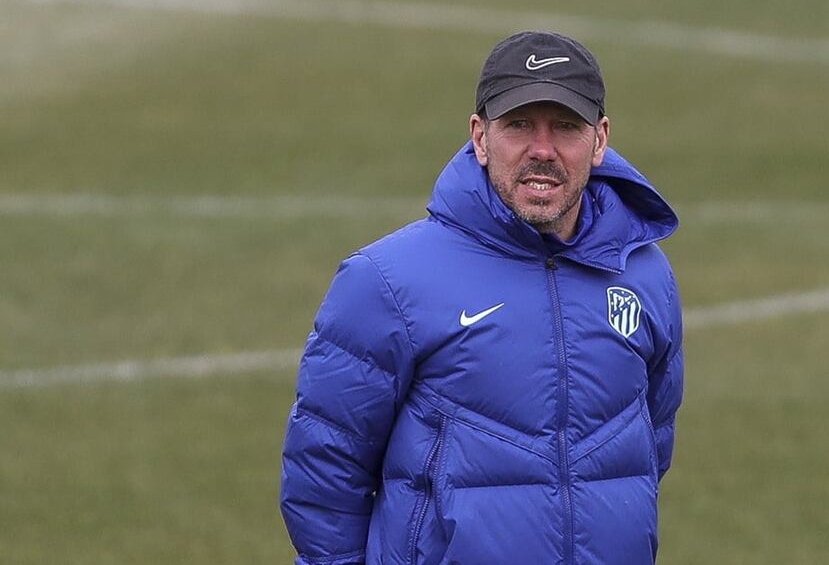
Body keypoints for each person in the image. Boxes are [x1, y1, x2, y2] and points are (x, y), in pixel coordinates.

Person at [280, 30, 684, 565]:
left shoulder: (645, 275)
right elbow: (323, 473)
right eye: (518, 125)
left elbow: (649, 446)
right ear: (480, 136)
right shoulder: (385, 281)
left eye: (565, 126)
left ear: (600, 138)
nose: (542, 150)